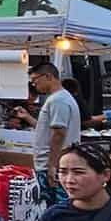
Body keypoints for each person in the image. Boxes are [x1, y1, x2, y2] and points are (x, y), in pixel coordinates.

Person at [29, 60, 83, 204]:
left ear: (48, 76)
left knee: (54, 207)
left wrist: (52, 165)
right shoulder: (59, 98)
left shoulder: (58, 100)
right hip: (56, 163)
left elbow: (59, 134)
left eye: (35, 80)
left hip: (52, 165)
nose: (33, 84)